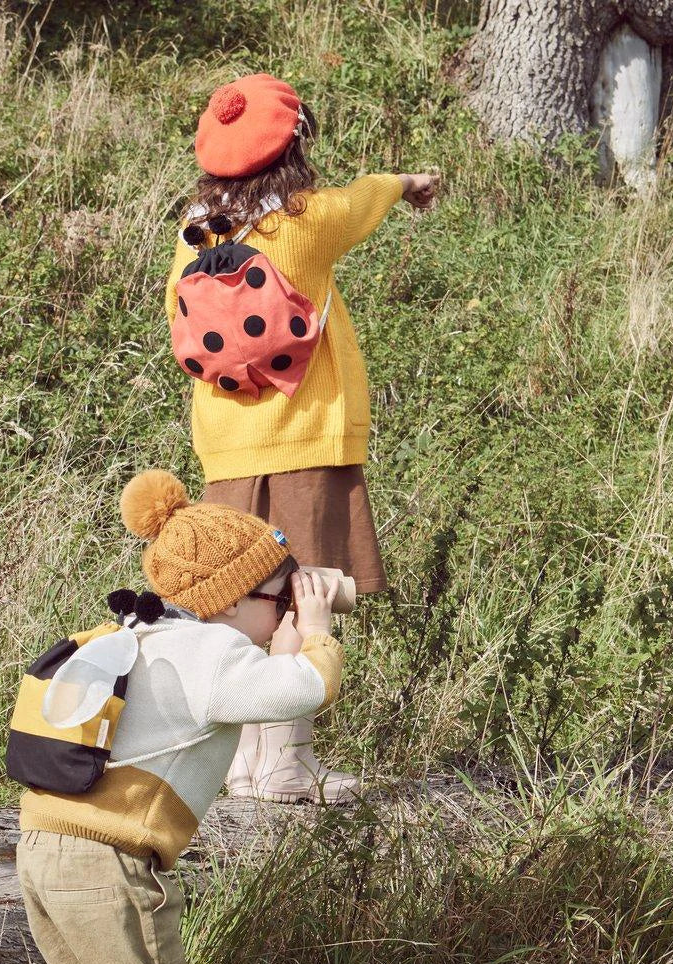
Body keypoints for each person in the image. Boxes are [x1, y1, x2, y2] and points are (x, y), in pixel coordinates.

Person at [165, 72, 438, 803]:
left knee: (239, 607)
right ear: (294, 145)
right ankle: (288, 762)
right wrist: (407, 183)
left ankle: (240, 763)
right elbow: (364, 199)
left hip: (226, 452)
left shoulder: (194, 234)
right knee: (300, 598)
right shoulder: (307, 221)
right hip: (304, 442)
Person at [15, 469, 343, 964]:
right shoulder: (212, 652)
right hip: (109, 860)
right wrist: (317, 631)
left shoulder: (144, 634)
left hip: (39, 845)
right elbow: (306, 688)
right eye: (280, 601)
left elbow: (259, 683)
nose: (286, 613)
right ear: (230, 601)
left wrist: (282, 628)